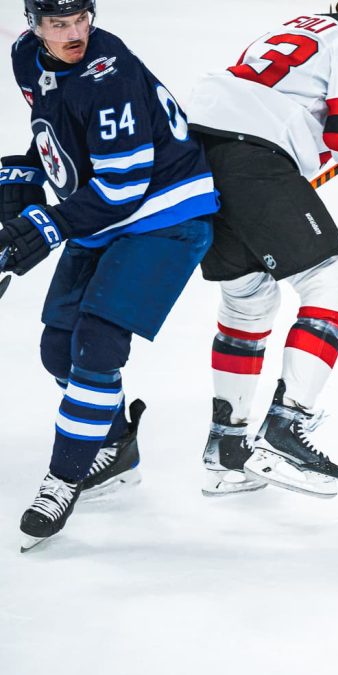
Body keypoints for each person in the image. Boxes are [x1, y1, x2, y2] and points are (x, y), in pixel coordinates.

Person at [0, 0, 218, 551]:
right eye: (58, 24)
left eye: (81, 19)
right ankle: (115, 444)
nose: (74, 33)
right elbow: (60, 132)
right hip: (102, 214)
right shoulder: (26, 55)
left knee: (96, 346)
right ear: (33, 26)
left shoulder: (109, 74)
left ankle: (63, 480)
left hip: (167, 214)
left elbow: (124, 184)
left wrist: (49, 224)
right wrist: (24, 176)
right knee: (58, 350)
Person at [185, 0, 338, 498]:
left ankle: (227, 450)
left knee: (249, 300)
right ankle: (283, 433)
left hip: (198, 155)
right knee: (333, 286)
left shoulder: (305, 28)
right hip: (253, 158)